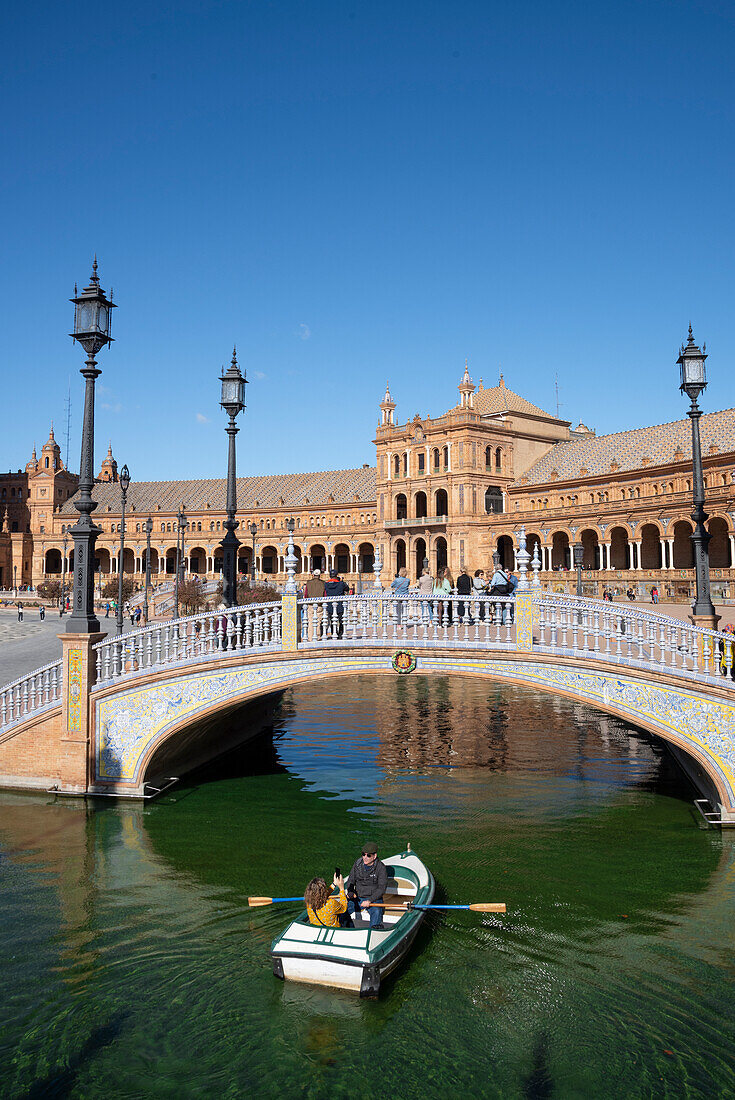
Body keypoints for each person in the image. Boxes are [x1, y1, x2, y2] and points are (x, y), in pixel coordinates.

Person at [346, 842, 387, 929]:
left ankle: (373, 932)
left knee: (376, 912)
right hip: (358, 897)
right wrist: (350, 892)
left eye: (368, 855)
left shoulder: (381, 868)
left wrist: (369, 900)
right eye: (363, 854)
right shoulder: (357, 864)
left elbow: (381, 888)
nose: (365, 857)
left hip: (373, 899)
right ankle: (345, 928)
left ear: (374, 856)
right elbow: (351, 880)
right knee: (343, 908)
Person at [324, 569, 349, 638]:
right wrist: (342, 581)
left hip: (330, 606)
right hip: (340, 605)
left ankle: (334, 633)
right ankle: (341, 634)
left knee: (332, 621)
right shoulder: (341, 584)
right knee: (341, 620)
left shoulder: (326, 584)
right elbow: (347, 588)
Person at [303, 568, 326, 640]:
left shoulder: (308, 583)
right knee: (318, 622)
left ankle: (310, 637)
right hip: (319, 605)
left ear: (313, 575)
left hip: (310, 604)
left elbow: (306, 594)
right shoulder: (323, 583)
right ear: (320, 575)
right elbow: (325, 594)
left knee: (310, 621)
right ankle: (317, 636)